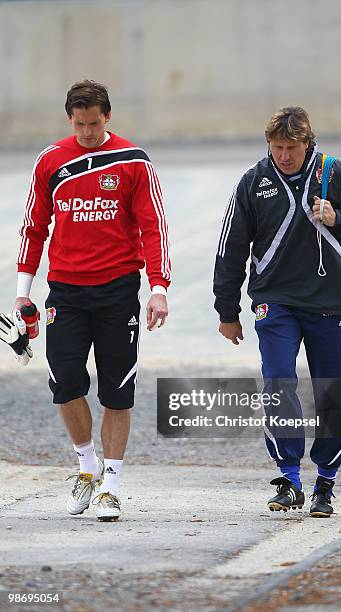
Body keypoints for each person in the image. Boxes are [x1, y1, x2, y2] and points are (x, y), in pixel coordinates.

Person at [213, 106, 341, 517]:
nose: (284, 155)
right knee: (278, 382)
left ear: (309, 143)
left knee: (333, 394)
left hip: (330, 302)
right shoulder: (253, 182)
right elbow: (230, 249)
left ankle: (326, 481)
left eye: (291, 147)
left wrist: (337, 217)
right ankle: (289, 477)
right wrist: (227, 310)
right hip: (276, 302)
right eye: (276, 147)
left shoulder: (337, 173)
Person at [15, 80, 171, 522]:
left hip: (118, 288)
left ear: (107, 117)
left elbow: (153, 228)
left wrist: (158, 288)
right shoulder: (50, 161)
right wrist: (22, 295)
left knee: (117, 391)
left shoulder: (133, 161)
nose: (85, 132)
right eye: (79, 124)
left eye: (93, 123)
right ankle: (86, 468)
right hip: (64, 290)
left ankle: (112, 485)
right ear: (70, 119)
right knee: (65, 384)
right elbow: (33, 229)